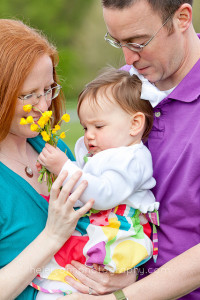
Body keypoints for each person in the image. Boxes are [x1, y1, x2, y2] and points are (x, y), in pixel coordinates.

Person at [58, 0, 200, 299]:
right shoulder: (121, 87)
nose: (128, 58)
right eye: (117, 42)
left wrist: (128, 293)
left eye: (138, 43)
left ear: (182, 18)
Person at [0, 19, 136, 300]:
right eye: (28, 95)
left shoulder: (50, 146)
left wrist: (124, 275)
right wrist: (52, 236)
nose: (43, 106)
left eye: (48, 90)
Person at [36, 66, 165, 298]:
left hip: (119, 229)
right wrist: (57, 172)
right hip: (101, 224)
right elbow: (87, 181)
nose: (88, 135)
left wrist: (63, 168)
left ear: (135, 124)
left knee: (83, 273)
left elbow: (104, 194)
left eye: (98, 126)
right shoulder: (108, 151)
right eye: (86, 127)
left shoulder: (132, 158)